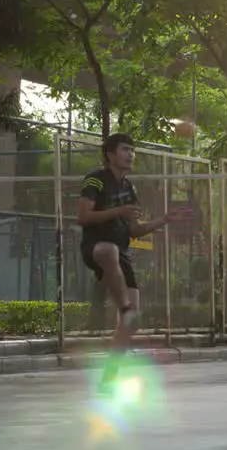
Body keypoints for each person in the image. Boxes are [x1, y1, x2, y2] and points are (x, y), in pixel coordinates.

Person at [78, 133, 190, 392]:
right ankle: (125, 308)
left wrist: (165, 219)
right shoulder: (95, 179)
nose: (131, 154)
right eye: (125, 149)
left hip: (120, 252)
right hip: (95, 247)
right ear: (110, 154)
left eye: (133, 150)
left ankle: (109, 375)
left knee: (130, 324)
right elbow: (83, 216)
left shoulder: (129, 187)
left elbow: (135, 230)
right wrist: (119, 211)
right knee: (109, 252)